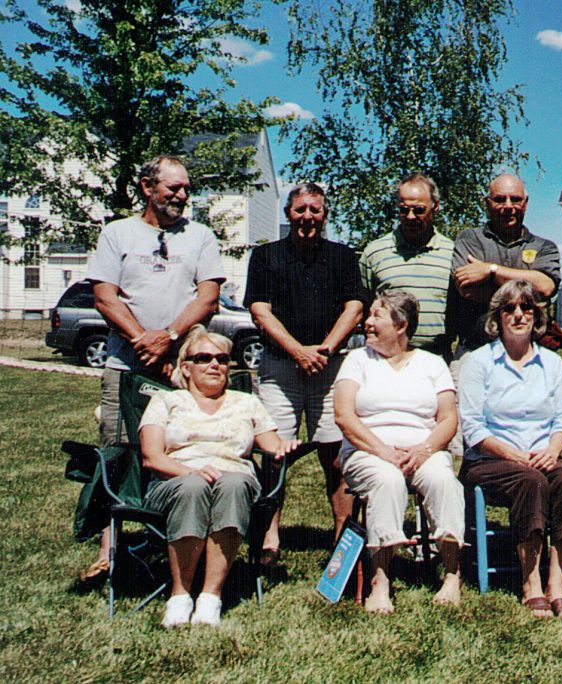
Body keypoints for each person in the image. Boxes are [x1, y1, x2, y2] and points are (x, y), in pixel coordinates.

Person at [81, 154, 225, 582]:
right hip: (125, 365)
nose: (182, 195)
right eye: (173, 188)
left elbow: (207, 298)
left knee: (184, 451)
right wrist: (145, 340)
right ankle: (110, 552)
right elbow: (105, 297)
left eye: (186, 189)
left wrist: (170, 340)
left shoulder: (200, 236)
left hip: (182, 372)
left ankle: (182, 546)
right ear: (147, 187)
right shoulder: (117, 233)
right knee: (119, 453)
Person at [139, 326, 300, 627]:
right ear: (185, 368)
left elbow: (272, 445)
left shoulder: (247, 402)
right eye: (203, 358)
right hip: (175, 479)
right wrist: (193, 471)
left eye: (222, 359)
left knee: (234, 482)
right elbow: (152, 457)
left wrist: (285, 447)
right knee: (193, 486)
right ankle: (180, 595)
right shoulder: (165, 401)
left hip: (233, 477)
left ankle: (210, 597)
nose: (215, 365)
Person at [244, 182, 368, 564]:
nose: (307, 217)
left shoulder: (343, 257)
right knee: (273, 453)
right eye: (300, 210)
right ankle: (269, 537)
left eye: (315, 210)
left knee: (336, 456)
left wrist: (326, 348)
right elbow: (260, 311)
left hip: (330, 368)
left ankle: (342, 540)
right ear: (288, 214)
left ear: (325, 215)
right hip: (280, 368)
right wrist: (298, 351)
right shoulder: (266, 256)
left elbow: (356, 308)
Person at [458, 281, 562, 618]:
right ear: (497, 317)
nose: (518, 315)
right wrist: (514, 455)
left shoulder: (552, 363)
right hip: (490, 460)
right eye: (509, 309)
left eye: (526, 308)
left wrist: (553, 450)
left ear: (537, 316)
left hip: (542, 455)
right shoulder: (478, 362)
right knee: (531, 481)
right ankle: (531, 583)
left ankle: (557, 584)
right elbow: (472, 427)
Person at [334, 290, 463, 614]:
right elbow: (344, 416)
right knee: (388, 480)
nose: (368, 322)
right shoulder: (357, 360)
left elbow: (448, 419)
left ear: (401, 325)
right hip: (368, 451)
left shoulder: (432, 364)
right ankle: (381, 580)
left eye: (377, 315)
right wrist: (384, 452)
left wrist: (424, 450)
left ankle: (452, 575)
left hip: (423, 449)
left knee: (443, 479)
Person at [450, 174, 561, 356]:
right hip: (475, 351)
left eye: (515, 199)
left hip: (528, 355)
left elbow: (546, 287)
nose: (508, 206)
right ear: (487, 203)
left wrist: (490, 271)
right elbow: (468, 289)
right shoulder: (470, 239)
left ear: (525, 203)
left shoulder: (544, 247)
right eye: (500, 199)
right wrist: (528, 294)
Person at [359, 173, 455, 361]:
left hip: (437, 358)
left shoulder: (452, 253)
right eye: (404, 210)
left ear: (435, 208)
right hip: (385, 359)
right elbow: (363, 308)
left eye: (419, 210)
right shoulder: (374, 253)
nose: (411, 217)